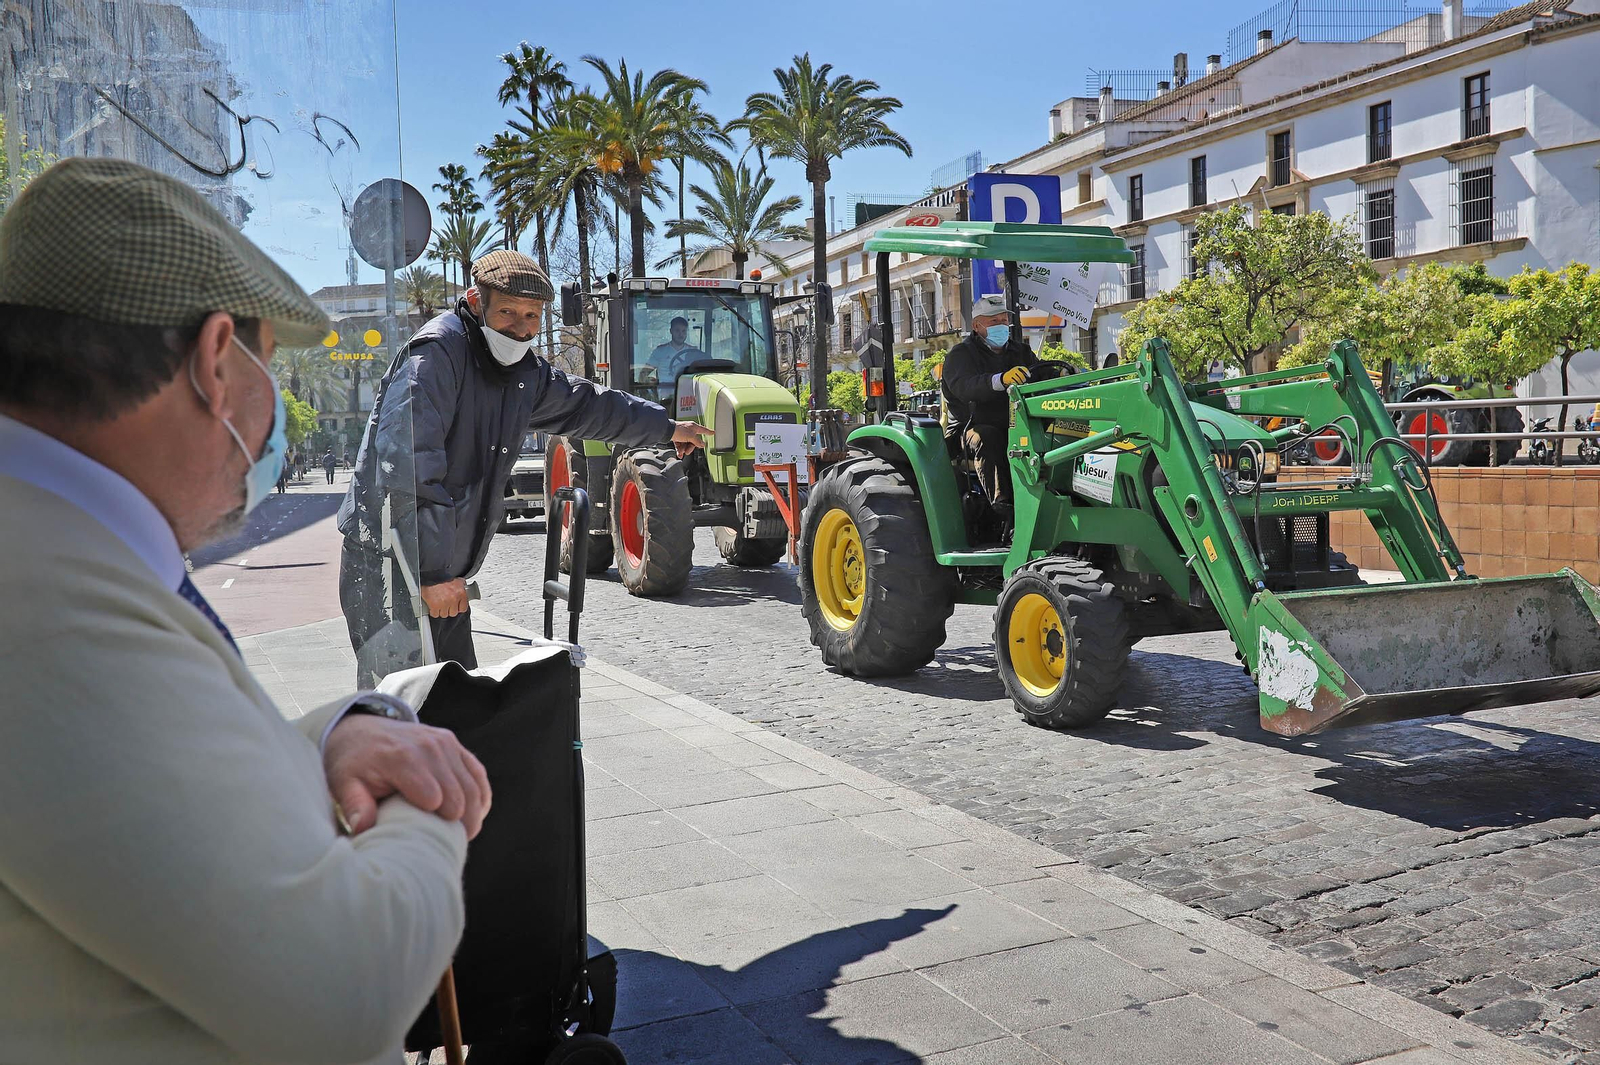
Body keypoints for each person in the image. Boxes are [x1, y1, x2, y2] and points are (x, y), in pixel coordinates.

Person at [0, 157, 487, 1063]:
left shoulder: (56, 549)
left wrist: (342, 729)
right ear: (218, 360)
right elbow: (350, 988)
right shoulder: (45, 600)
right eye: (271, 363)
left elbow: (153, 770)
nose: (273, 424)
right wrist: (427, 801)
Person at [337, 250, 713, 687]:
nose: (521, 327)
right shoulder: (436, 357)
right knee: (399, 715)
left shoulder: (520, 371)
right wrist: (431, 574)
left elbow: (588, 406)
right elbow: (407, 470)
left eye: (532, 315)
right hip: (393, 565)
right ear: (475, 302)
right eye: (508, 312)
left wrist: (665, 428)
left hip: (439, 573)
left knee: (454, 710)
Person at [940, 292, 1039, 509]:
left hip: (1019, 424)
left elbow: (1038, 375)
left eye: (1004, 320)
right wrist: (1000, 380)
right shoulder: (960, 355)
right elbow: (964, 387)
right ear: (977, 326)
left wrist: (1061, 375)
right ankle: (1004, 505)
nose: (1001, 325)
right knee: (989, 436)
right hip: (969, 428)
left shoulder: (1021, 351)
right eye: (994, 321)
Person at [644, 315, 704, 381]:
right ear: (671, 331)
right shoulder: (660, 351)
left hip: (687, 389)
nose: (681, 334)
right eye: (677, 330)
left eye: (683, 331)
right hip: (665, 389)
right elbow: (644, 373)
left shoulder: (693, 352)